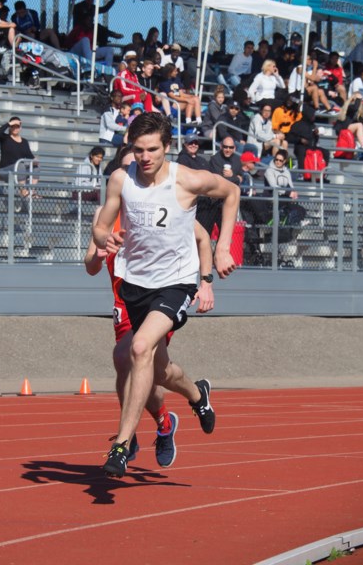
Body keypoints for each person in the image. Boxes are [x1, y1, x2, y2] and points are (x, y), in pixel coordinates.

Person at [94, 113, 239, 477]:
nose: (145, 157)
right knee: (158, 369)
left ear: (167, 147)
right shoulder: (121, 179)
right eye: (138, 149)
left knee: (137, 349)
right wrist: (104, 239)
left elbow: (232, 192)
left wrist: (222, 250)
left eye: (152, 150)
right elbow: (99, 227)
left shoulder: (187, 179)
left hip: (176, 282)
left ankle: (122, 444)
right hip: (135, 283)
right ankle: (196, 394)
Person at [0, 117, 39, 197]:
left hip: (19, 170)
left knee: (35, 167)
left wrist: (35, 160)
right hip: (5, 170)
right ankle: (23, 191)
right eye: (13, 126)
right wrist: (9, 123)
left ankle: (32, 192)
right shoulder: (5, 138)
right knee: (20, 165)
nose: (15, 128)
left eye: (17, 126)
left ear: (20, 127)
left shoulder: (24, 141)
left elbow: (30, 156)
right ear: (10, 127)